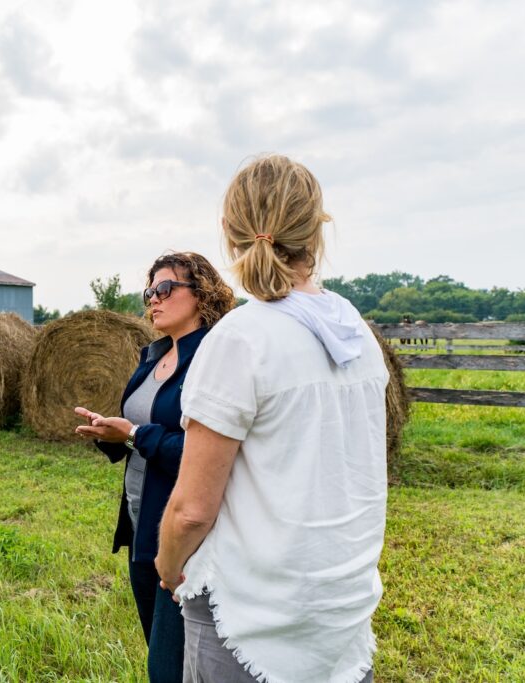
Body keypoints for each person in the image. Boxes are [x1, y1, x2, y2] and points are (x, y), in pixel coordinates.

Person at [155, 155, 388, 683]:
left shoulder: (241, 338)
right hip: (341, 609)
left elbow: (192, 510)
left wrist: (169, 567)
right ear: (317, 228)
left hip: (251, 619)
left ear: (229, 232)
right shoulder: (356, 333)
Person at [74, 252, 236, 683]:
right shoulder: (153, 355)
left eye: (165, 289)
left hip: (185, 531)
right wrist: (111, 435)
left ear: (201, 294)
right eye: (149, 292)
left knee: (170, 667)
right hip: (140, 523)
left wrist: (133, 435)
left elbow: (211, 453)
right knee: (160, 650)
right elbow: (140, 431)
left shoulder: (212, 361)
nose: (153, 300)